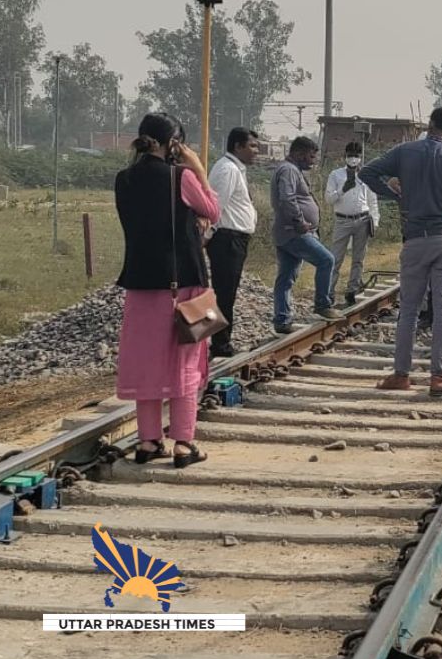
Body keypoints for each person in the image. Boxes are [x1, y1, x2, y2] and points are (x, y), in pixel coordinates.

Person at [114, 113, 219, 469]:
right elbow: (213, 211)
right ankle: (184, 444)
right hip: (183, 284)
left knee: (147, 363)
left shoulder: (124, 179)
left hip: (140, 284)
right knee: (184, 361)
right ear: (173, 143)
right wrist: (199, 169)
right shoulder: (182, 176)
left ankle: (148, 441)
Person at [360, 107, 442, 397]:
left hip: (414, 239)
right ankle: (439, 375)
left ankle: (401, 374)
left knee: (409, 309)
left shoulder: (405, 152)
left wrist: (396, 194)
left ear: (429, 125)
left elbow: (367, 172)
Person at [271, 136, 343, 334]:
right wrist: (299, 221)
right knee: (326, 260)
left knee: (285, 278)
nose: (313, 160)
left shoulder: (292, 170)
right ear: (299, 153)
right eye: (311, 156)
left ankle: (282, 320)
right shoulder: (288, 170)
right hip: (294, 232)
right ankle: (322, 304)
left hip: (286, 233)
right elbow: (287, 198)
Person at [205, 127, 260, 358]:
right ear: (237, 146)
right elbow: (215, 208)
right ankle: (219, 344)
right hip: (226, 239)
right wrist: (206, 237)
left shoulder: (236, 169)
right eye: (252, 146)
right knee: (223, 294)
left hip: (234, 239)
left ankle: (220, 342)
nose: (256, 151)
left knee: (226, 293)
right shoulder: (227, 169)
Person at [325, 140, 380, 307]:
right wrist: (343, 189)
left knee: (359, 258)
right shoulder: (336, 175)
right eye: (350, 155)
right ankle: (329, 292)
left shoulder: (365, 175)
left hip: (363, 219)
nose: (353, 159)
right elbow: (328, 199)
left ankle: (352, 290)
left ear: (361, 157)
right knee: (335, 258)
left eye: (356, 156)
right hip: (343, 220)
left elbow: (372, 201)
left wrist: (375, 221)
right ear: (345, 157)